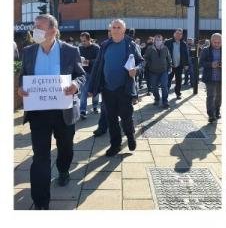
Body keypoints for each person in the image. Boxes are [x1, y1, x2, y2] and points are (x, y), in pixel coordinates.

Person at [17, 15, 85, 209]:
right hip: (38, 112)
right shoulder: (28, 51)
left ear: (53, 30)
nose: (35, 30)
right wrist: (21, 87)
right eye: (34, 27)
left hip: (63, 110)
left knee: (65, 148)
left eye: (40, 27)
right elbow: (24, 75)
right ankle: (40, 203)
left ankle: (63, 170)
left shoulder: (70, 51)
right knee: (40, 157)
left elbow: (81, 75)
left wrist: (75, 85)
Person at [89, 19, 143, 156]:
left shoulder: (130, 45)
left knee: (126, 117)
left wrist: (136, 69)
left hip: (124, 88)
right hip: (107, 89)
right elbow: (97, 66)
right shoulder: (105, 45)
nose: (116, 29)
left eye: (119, 27)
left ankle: (130, 136)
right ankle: (115, 145)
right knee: (111, 119)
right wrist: (92, 87)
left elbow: (142, 62)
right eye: (114, 27)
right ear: (110, 30)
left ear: (124, 30)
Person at [143, 33, 171, 108]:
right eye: (157, 40)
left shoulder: (165, 48)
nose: (159, 41)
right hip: (153, 71)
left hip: (163, 71)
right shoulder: (150, 48)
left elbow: (169, 58)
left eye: (160, 40)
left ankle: (165, 101)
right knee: (154, 87)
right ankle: (157, 99)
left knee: (164, 86)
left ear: (162, 41)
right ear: (154, 41)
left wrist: (170, 67)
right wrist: (148, 63)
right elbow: (146, 57)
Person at [200, 33, 222, 122]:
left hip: (220, 78)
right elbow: (201, 63)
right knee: (211, 96)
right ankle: (211, 115)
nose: (217, 44)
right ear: (211, 41)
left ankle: (217, 111)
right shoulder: (206, 50)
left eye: (219, 42)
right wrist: (210, 64)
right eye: (215, 42)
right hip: (210, 78)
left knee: (219, 96)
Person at [78, 32, 101, 117]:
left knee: (95, 91)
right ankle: (82, 110)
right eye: (81, 41)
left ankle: (95, 106)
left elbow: (99, 60)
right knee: (84, 92)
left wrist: (89, 61)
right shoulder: (80, 48)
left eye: (84, 41)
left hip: (94, 73)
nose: (83, 43)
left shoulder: (96, 48)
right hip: (84, 73)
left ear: (89, 39)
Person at [165, 29, 190, 100]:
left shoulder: (183, 44)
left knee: (179, 81)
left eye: (180, 34)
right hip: (170, 65)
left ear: (182, 36)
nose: (178, 35)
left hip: (179, 65)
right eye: (177, 33)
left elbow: (186, 55)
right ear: (174, 34)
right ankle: (165, 95)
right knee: (168, 81)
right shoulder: (167, 42)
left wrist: (186, 64)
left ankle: (178, 93)